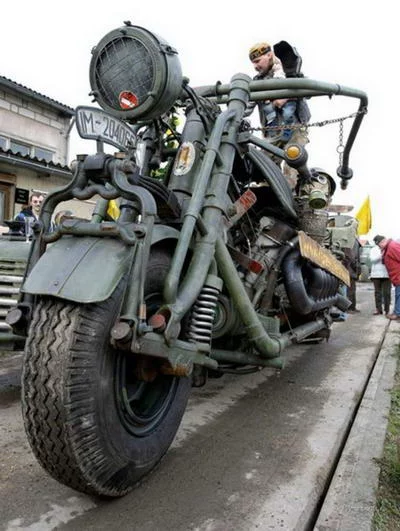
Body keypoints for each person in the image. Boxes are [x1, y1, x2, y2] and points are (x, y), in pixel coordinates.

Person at [247, 41, 311, 189]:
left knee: (292, 161)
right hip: (272, 132)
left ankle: (289, 193)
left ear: (269, 55)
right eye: (253, 63)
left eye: (258, 61)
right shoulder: (257, 83)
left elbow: (307, 91)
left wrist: (287, 95)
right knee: (265, 167)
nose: (255, 66)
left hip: (295, 128)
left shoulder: (289, 72)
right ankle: (267, 194)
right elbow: (247, 107)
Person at [373, 235, 400, 320]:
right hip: (396, 276)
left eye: (379, 245)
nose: (379, 247)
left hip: (398, 276)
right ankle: (397, 312)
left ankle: (397, 313)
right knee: (398, 294)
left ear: (383, 241)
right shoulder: (388, 248)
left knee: (399, 295)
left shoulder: (392, 247)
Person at [369, 243, 391, 315]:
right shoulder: (374, 249)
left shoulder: (389, 249)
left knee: (387, 293)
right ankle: (378, 309)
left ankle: (387, 310)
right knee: (377, 293)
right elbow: (372, 260)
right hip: (376, 274)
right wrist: (381, 255)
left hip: (387, 274)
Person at [343, 238, 362, 313]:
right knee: (350, 290)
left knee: (352, 289)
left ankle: (352, 307)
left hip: (351, 269)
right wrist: (356, 267)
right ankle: (350, 308)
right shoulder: (351, 241)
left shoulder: (353, 240)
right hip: (350, 269)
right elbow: (351, 256)